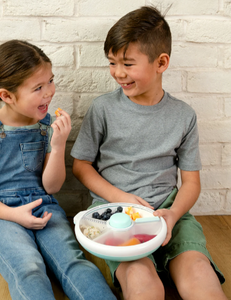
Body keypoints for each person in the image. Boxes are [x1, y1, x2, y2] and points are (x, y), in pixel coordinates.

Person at [71, 6, 227, 300]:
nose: (118, 73)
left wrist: (172, 215)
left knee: (201, 278)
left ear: (161, 62)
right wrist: (121, 198)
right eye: (112, 63)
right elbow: (81, 166)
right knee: (144, 285)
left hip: (170, 211)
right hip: (115, 212)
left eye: (128, 64)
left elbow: (191, 182)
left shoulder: (184, 116)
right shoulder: (103, 109)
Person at [0, 40, 117, 300]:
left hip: (43, 205)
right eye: (38, 88)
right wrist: (13, 215)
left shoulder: (46, 127)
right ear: (7, 96)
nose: (49, 92)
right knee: (28, 268)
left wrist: (57, 146)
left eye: (50, 81)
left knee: (74, 263)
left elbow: (52, 187)